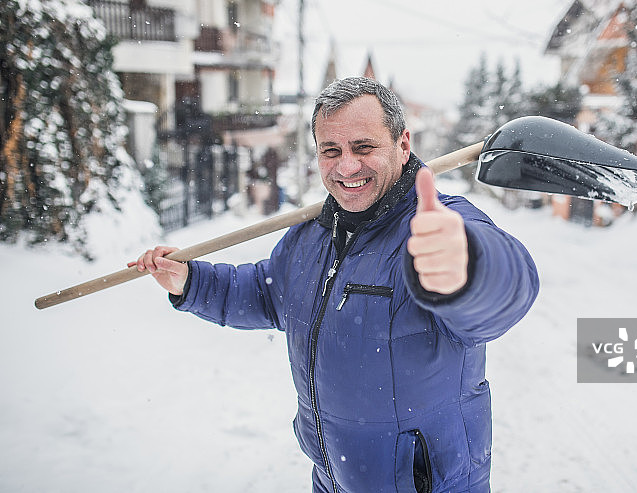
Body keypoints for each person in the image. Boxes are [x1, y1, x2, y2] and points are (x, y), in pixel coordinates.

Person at [131, 77, 539, 493]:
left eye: (363, 147)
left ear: (403, 143)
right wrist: (190, 282)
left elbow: (510, 288)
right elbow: (266, 293)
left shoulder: (438, 226)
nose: (346, 167)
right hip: (332, 480)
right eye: (331, 150)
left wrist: (467, 266)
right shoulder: (312, 235)